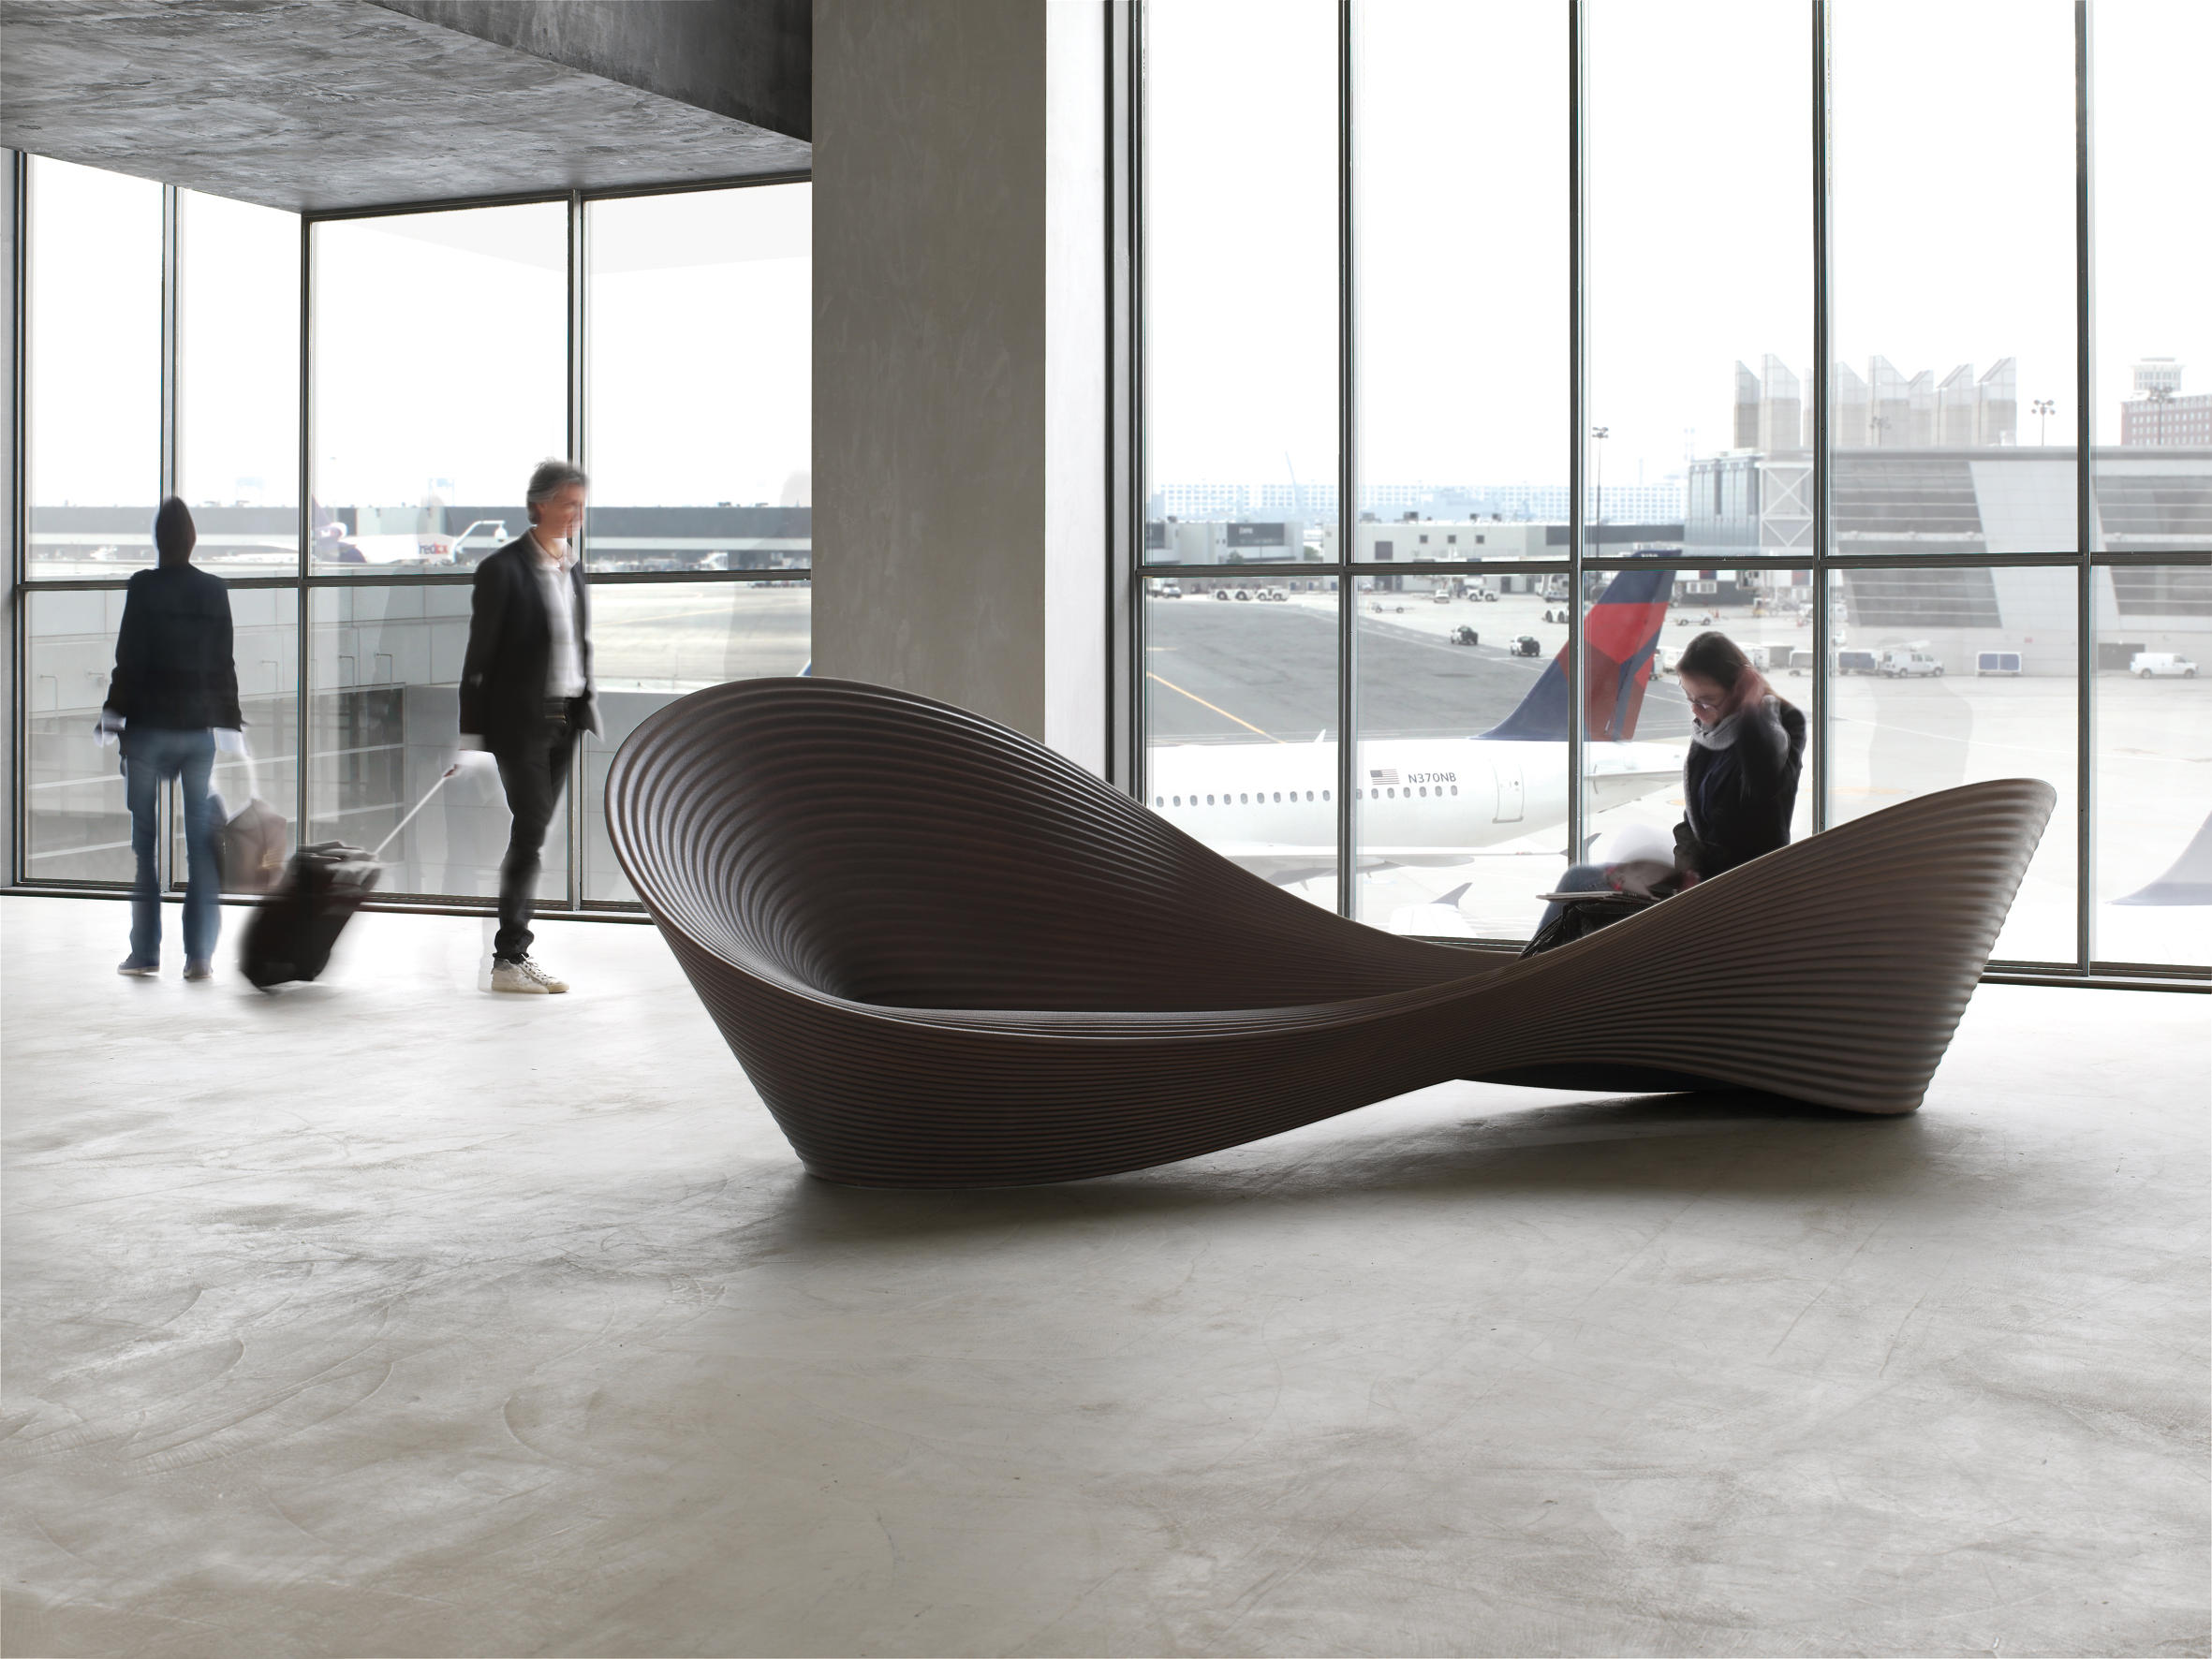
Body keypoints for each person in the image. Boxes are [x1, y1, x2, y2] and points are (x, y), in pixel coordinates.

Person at [1541, 630, 1807, 929]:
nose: (1695, 710)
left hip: (1737, 886)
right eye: (1689, 698)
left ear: (1739, 691)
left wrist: (1750, 709)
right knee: (1580, 885)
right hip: (1699, 879)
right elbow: (1691, 824)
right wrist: (1682, 872)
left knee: (1581, 890)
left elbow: (1763, 791)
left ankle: (1541, 961)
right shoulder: (1710, 733)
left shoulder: (1782, 727)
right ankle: (1543, 959)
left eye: (1706, 701)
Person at [456, 459, 599, 994]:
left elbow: (576, 644)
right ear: (539, 504)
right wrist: (472, 736)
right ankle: (510, 958)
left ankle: (511, 956)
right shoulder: (503, 569)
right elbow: (479, 656)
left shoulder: (571, 564)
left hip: (567, 720)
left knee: (532, 833)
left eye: (581, 505)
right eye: (568, 504)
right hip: (521, 725)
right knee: (531, 832)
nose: (577, 514)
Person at [99, 499, 243, 980]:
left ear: (158, 539)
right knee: (200, 847)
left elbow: (128, 658)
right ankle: (198, 957)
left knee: (146, 849)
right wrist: (229, 720)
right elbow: (224, 662)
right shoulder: (214, 589)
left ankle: (145, 954)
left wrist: (113, 712)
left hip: (147, 731)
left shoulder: (143, 586)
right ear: (192, 539)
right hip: (197, 732)